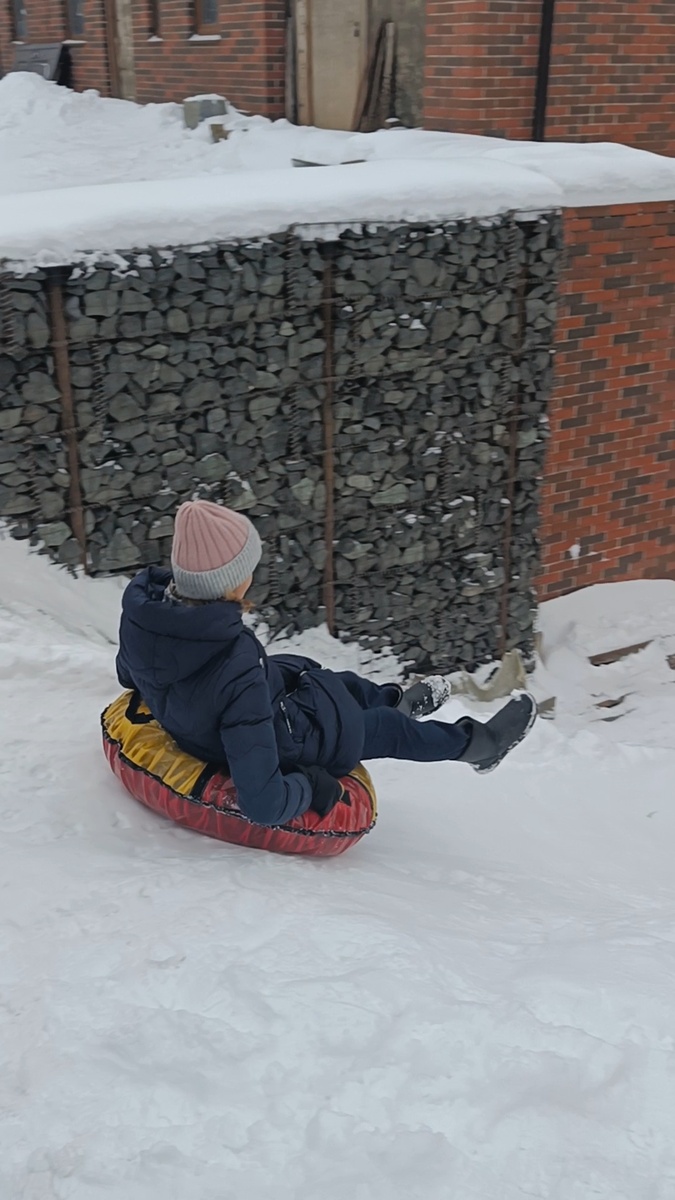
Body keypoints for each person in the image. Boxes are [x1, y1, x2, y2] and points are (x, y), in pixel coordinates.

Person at [116, 500, 537, 827]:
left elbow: (128, 674)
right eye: (248, 569)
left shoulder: (146, 616)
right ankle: (480, 746)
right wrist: (310, 787)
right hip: (280, 743)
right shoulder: (235, 664)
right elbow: (262, 803)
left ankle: (394, 700)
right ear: (229, 582)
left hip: (214, 715)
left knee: (314, 673)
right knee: (385, 731)